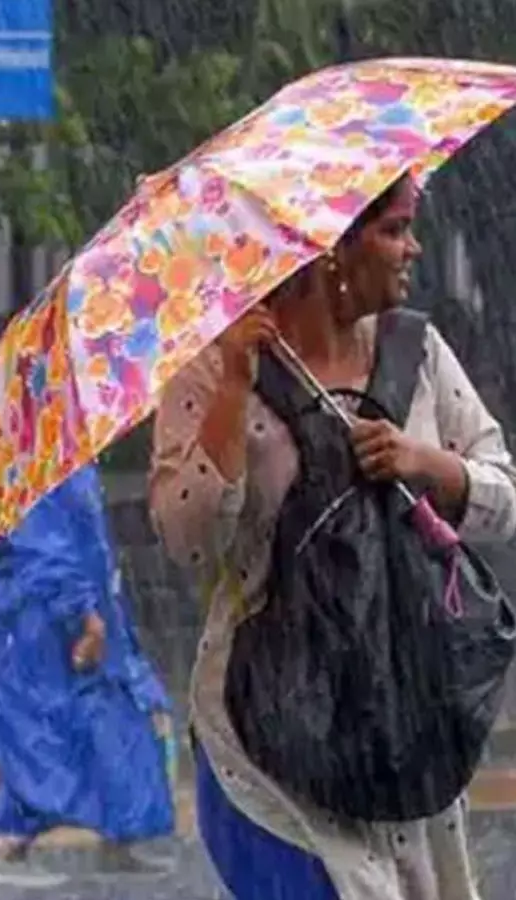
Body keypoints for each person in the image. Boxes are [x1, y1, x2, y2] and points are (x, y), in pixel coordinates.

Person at [150, 174, 514, 900]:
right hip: (268, 737)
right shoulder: (216, 365)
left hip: (402, 722)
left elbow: (504, 495)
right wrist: (230, 390)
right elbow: (187, 541)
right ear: (330, 250)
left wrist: (427, 465)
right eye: (394, 229)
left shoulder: (420, 353)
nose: (412, 249)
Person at [0, 462, 176, 888]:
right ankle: (13, 845)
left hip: (69, 612)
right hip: (46, 622)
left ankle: (118, 836)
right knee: (50, 731)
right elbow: (46, 549)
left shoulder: (57, 454)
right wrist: (81, 613)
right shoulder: (38, 458)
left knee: (105, 720)